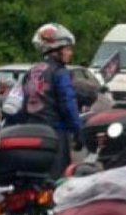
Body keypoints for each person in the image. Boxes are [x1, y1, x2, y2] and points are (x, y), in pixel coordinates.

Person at [25, 23, 83, 176]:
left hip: (31, 131)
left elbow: (18, 103)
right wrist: (78, 131)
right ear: (55, 50)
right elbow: (68, 104)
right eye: (68, 48)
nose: (70, 53)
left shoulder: (31, 71)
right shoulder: (60, 72)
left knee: (35, 175)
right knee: (58, 178)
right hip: (55, 132)